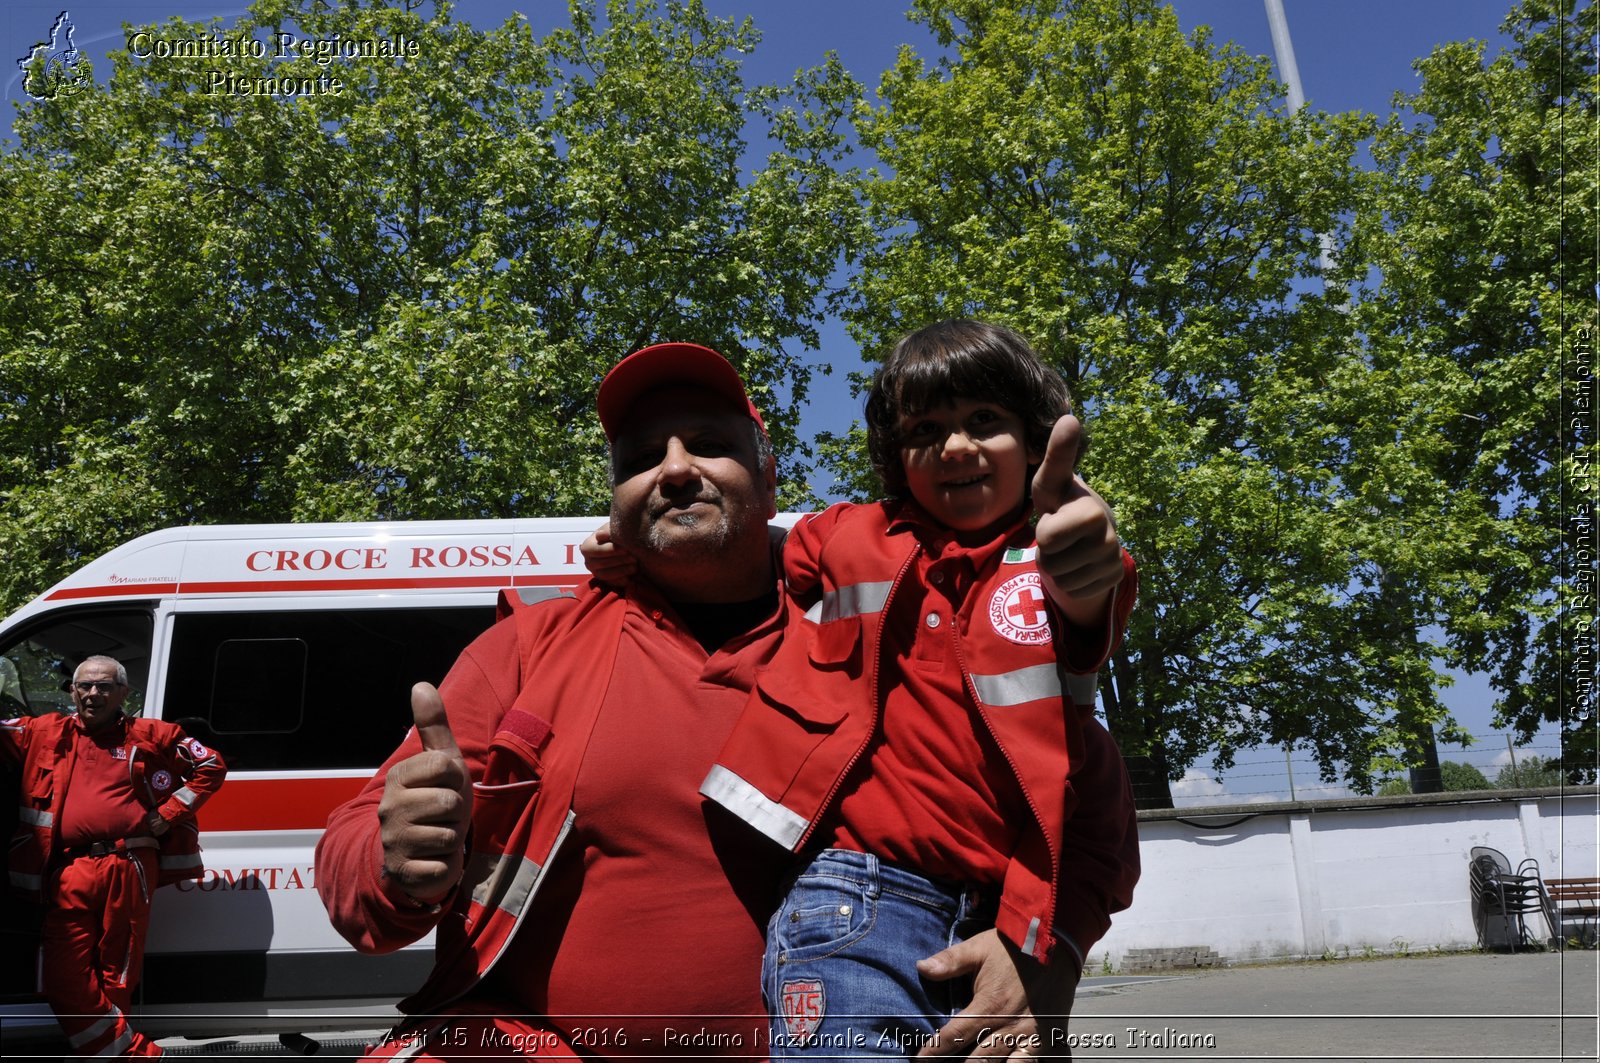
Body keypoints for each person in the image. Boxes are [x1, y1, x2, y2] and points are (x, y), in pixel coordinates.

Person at [316, 340, 1130, 1061]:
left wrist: (1045, 950)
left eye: (709, 445)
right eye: (642, 458)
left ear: (772, 481)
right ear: (618, 504)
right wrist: (400, 865)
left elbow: (1083, 796)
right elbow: (354, 859)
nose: (674, 469)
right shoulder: (529, 644)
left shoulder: (880, 618)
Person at [585, 321, 1138, 1057]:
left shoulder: (1055, 562)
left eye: (985, 421)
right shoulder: (847, 537)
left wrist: (1091, 558)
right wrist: (633, 549)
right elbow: (747, 547)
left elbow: (1093, 583)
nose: (956, 447)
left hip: (1010, 916)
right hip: (857, 903)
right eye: (925, 429)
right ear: (893, 456)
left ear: (1037, 441)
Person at [2, 655, 227, 1058]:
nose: (93, 694)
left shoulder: (150, 734)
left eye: (104, 686)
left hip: (128, 866)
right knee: (63, 979)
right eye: (85, 686)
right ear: (72, 691)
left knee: (116, 978)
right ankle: (137, 1056)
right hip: (69, 870)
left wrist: (169, 814)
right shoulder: (44, 731)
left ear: (123, 692)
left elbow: (210, 765)